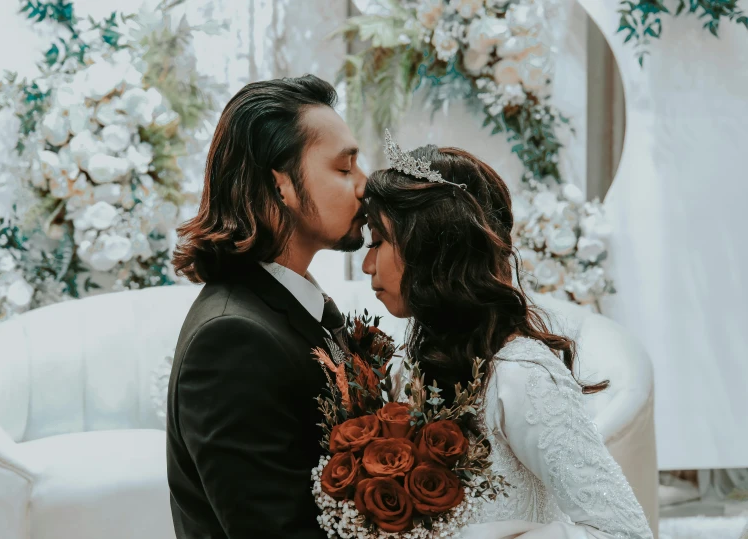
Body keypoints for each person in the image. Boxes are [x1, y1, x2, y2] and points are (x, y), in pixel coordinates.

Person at [360, 131, 653, 539]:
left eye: (377, 241)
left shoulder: (521, 374)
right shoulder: (411, 363)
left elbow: (625, 532)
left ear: (428, 246)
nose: (367, 265)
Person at [166, 74, 367, 539]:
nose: (364, 184)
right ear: (280, 186)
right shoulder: (231, 341)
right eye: (344, 169)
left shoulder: (300, 305)